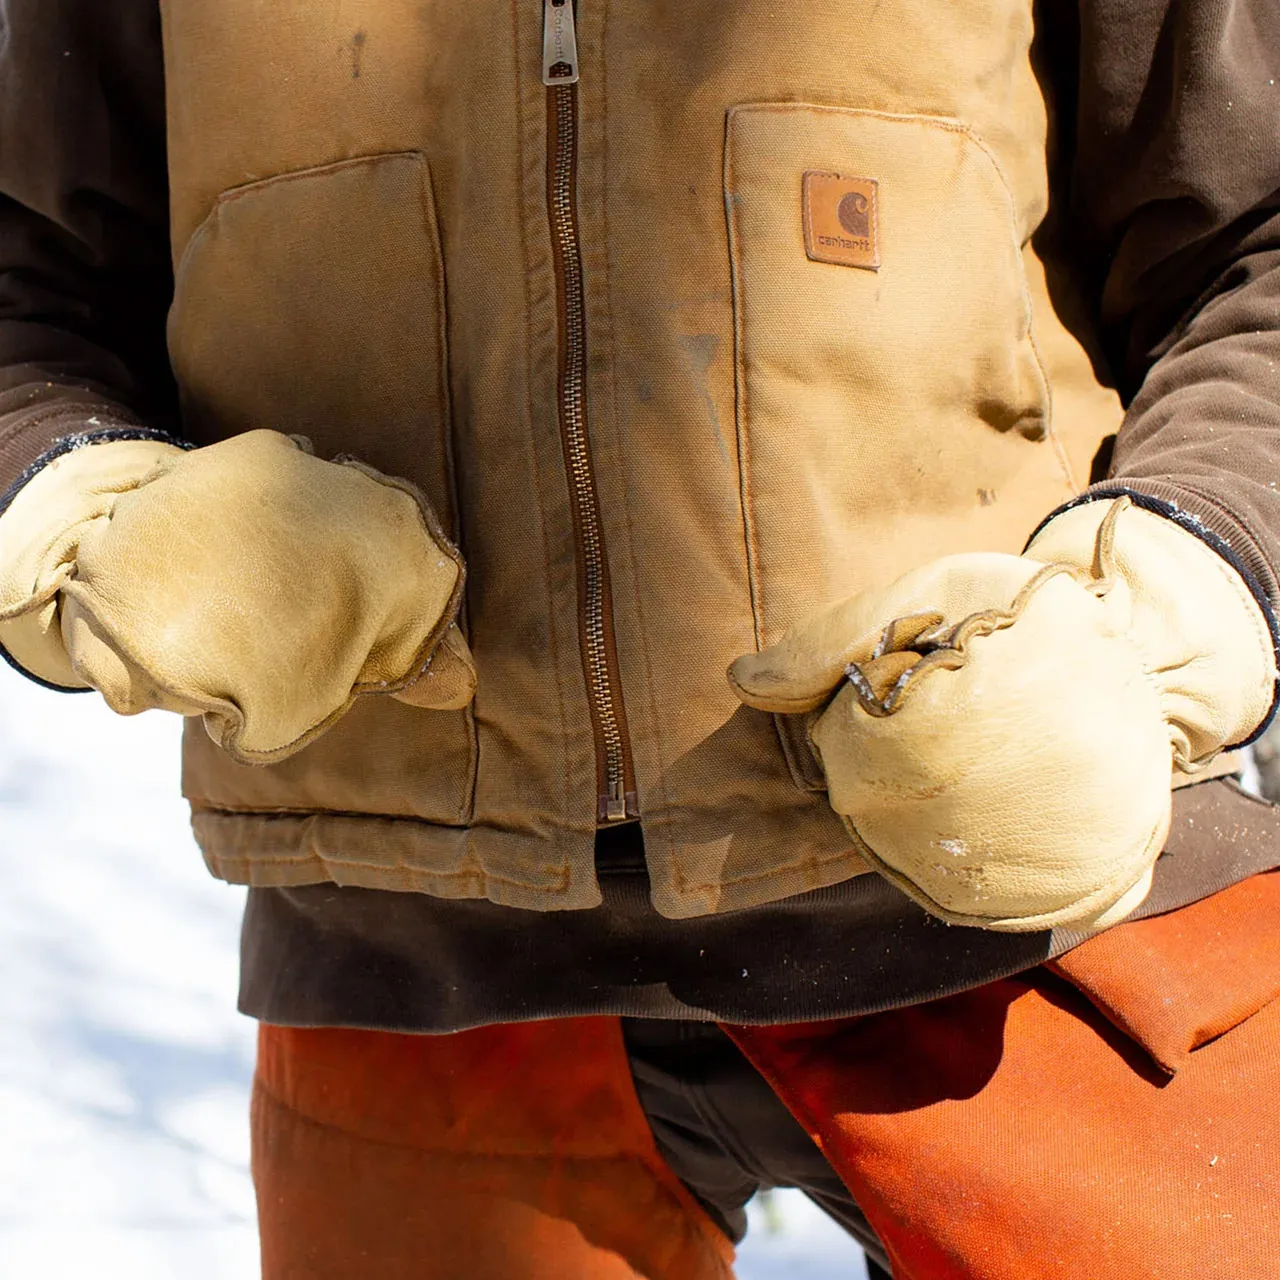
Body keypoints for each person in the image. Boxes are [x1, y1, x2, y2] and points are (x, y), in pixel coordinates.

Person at [2, 1, 1279, 1275]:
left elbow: (1253, 242)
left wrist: (1149, 614)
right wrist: (86, 519)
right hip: (415, 955)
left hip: (1035, 878)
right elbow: (28, 284)